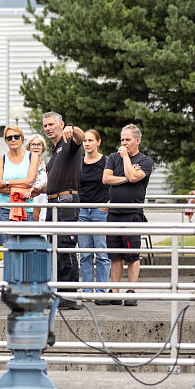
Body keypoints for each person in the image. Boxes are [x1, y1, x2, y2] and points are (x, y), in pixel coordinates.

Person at [99, 124, 155, 306]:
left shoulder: (145, 160)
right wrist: (124, 178)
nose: (124, 143)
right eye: (122, 139)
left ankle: (131, 291)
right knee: (115, 255)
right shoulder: (113, 157)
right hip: (113, 213)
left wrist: (125, 160)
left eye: (128, 140)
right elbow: (106, 179)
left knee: (132, 255)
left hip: (133, 213)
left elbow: (133, 177)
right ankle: (114, 292)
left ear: (137, 140)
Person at [42, 112, 85, 311]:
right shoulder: (55, 150)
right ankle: (60, 293)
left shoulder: (69, 143)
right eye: (45, 125)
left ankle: (70, 296)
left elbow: (81, 138)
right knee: (55, 250)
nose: (48, 128)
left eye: (51, 124)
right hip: (53, 203)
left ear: (61, 124)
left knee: (65, 248)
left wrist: (73, 128)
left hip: (66, 202)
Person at [77, 128, 110, 293]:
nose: (87, 144)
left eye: (91, 140)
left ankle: (102, 292)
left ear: (98, 142)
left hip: (100, 211)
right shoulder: (79, 162)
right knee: (85, 254)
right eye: (85, 141)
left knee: (102, 254)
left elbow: (113, 183)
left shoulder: (107, 161)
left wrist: (109, 203)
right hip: (82, 211)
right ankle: (88, 291)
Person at [0, 125, 40, 223]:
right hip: (5, 210)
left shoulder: (32, 157)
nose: (13, 140)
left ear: (21, 138)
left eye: (16, 137)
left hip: (27, 209)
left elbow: (29, 182)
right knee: (5, 239)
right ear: (6, 141)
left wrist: (5, 183)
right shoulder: (1, 159)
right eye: (9, 138)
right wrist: (23, 191)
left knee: (29, 238)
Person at [26, 134, 48, 222]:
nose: (36, 147)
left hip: (42, 204)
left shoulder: (47, 166)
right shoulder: (24, 165)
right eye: (33, 144)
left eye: (39, 144)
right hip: (27, 204)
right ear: (28, 147)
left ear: (43, 147)